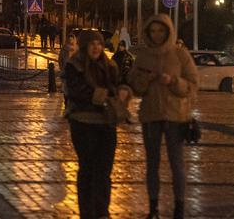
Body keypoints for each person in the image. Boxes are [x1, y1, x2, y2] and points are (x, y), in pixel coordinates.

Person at [128, 15, 198, 219]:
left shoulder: (180, 55)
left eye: (161, 31)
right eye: (153, 31)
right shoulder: (143, 56)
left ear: (168, 31)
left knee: (177, 164)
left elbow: (193, 85)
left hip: (176, 116)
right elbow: (135, 86)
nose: (157, 35)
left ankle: (179, 208)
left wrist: (173, 81)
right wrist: (145, 80)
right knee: (152, 163)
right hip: (151, 115)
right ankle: (153, 208)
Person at [64, 29, 128, 219]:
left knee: (104, 170)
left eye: (99, 44)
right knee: (88, 168)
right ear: (85, 46)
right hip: (83, 122)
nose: (96, 47)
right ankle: (87, 212)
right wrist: (104, 96)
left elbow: (120, 85)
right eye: (92, 44)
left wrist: (123, 93)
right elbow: (77, 92)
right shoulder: (74, 65)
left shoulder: (110, 66)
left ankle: (102, 212)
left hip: (107, 123)